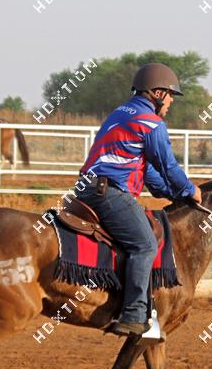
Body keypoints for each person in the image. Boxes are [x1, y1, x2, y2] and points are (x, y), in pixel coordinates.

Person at [76, 63, 201, 336]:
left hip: (88, 187)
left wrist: (174, 193)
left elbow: (152, 175)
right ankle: (133, 315)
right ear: (156, 92)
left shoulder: (120, 113)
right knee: (145, 244)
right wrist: (191, 190)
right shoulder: (152, 123)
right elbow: (167, 167)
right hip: (108, 193)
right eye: (169, 95)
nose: (170, 102)